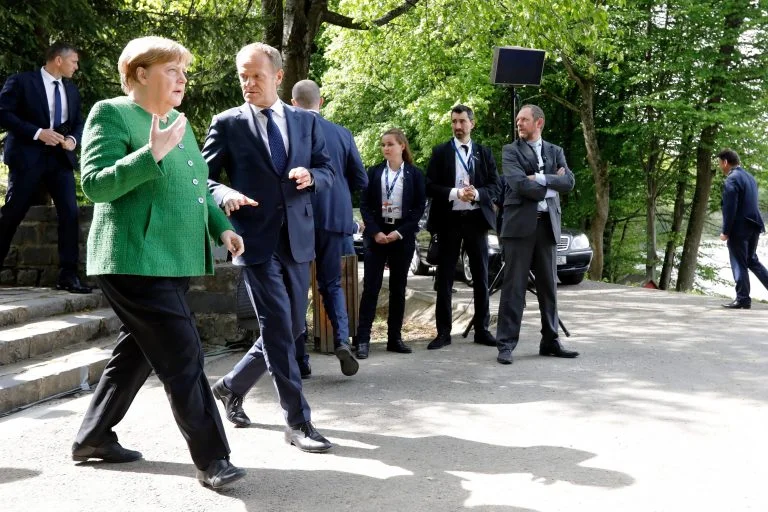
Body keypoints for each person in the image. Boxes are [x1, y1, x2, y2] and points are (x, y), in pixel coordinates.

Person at [70, 36, 246, 489]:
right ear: (139, 73)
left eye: (183, 72)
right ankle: (213, 459)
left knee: (136, 353)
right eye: (172, 70)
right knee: (183, 354)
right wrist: (151, 154)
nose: (182, 79)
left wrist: (221, 227)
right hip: (133, 258)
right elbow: (95, 184)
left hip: (173, 258)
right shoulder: (111, 113)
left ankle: (92, 437)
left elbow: (197, 187)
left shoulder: (179, 123)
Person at [203, 43, 335, 453]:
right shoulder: (227, 123)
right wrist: (224, 193)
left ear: (278, 76)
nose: (248, 83)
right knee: (279, 327)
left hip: (297, 239)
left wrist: (311, 176)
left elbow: (329, 170)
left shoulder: (305, 122)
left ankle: (231, 386)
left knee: (291, 328)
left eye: (256, 75)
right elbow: (202, 179)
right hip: (254, 240)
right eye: (242, 76)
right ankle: (298, 422)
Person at [290, 79, 368, 377]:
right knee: (331, 283)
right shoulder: (342, 133)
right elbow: (361, 179)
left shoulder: (290, 131)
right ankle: (342, 341)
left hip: (300, 217)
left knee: (297, 286)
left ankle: (300, 359)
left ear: (294, 104)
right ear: (320, 102)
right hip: (335, 217)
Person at [0, 42, 90, 293]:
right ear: (59, 60)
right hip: (27, 158)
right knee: (13, 212)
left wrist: (73, 140)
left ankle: (68, 276)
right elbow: (3, 113)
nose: (76, 66)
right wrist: (38, 133)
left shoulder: (71, 90)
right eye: (74, 61)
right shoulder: (21, 82)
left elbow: (79, 123)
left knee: (70, 213)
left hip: (60, 160)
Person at [495, 104, 578, 365]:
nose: (518, 123)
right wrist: (553, 183)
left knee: (548, 287)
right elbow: (518, 184)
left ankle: (550, 341)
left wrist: (540, 179)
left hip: (547, 226)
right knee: (514, 288)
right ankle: (505, 345)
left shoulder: (555, 151)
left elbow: (569, 182)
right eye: (517, 119)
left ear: (538, 122)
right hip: (518, 227)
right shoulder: (511, 151)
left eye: (524, 119)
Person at [425, 104, 500, 350]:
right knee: (445, 278)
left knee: (480, 276)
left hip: (476, 220)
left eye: (462, 121)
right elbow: (429, 186)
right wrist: (455, 193)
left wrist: (476, 194)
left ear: (472, 124)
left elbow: (495, 186)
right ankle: (443, 333)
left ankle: (482, 330)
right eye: (454, 122)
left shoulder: (484, 153)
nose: (457, 126)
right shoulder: (440, 152)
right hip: (449, 221)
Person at [355, 128, 426, 359]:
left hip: (401, 236)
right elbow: (364, 205)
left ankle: (394, 338)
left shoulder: (414, 174)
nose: (386, 148)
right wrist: (375, 231)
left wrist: (398, 233)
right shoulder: (374, 172)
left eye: (390, 144)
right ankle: (363, 340)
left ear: (402, 146)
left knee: (398, 288)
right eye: (383, 144)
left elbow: (418, 208)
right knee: (371, 288)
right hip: (377, 235)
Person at [717, 149, 768, 309]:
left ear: (725, 162)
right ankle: (743, 298)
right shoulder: (750, 177)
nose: (720, 166)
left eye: (720, 163)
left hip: (740, 227)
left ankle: (743, 299)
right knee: (751, 260)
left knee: (739, 262)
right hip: (755, 225)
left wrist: (726, 231)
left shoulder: (732, 179)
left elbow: (730, 207)